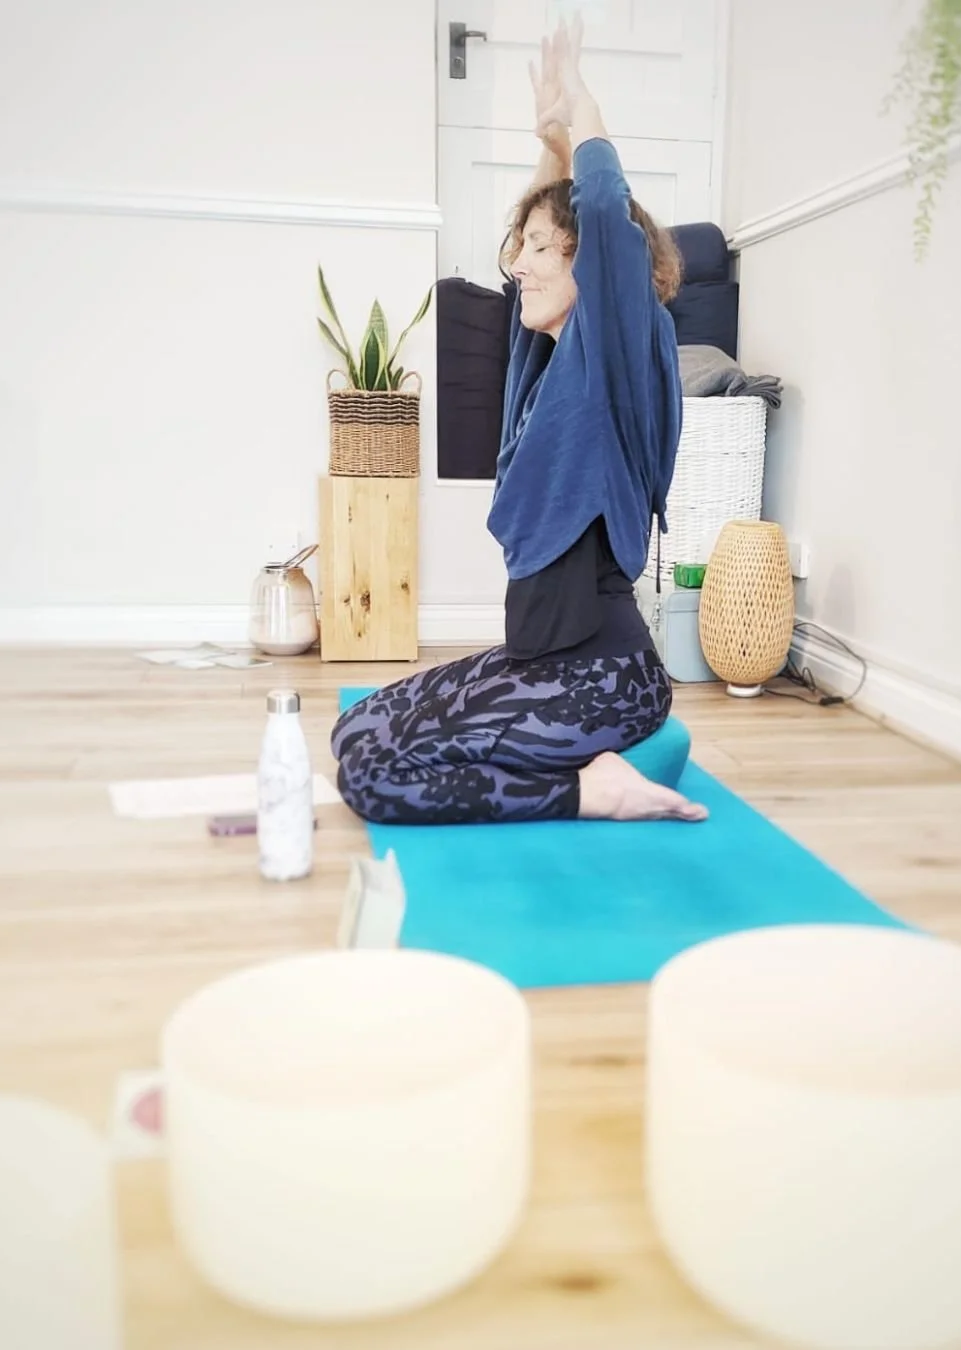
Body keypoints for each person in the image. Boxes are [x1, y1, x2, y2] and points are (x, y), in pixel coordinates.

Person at [331, 16, 707, 827]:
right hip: (539, 658)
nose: (518, 263)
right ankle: (597, 763)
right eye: (523, 246)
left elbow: (604, 211)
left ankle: (590, 789)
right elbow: (557, 229)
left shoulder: (622, 351)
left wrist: (584, 109)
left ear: (594, 265)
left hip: (602, 676)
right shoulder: (547, 377)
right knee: (354, 726)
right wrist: (550, 146)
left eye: (543, 249)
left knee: (374, 779)